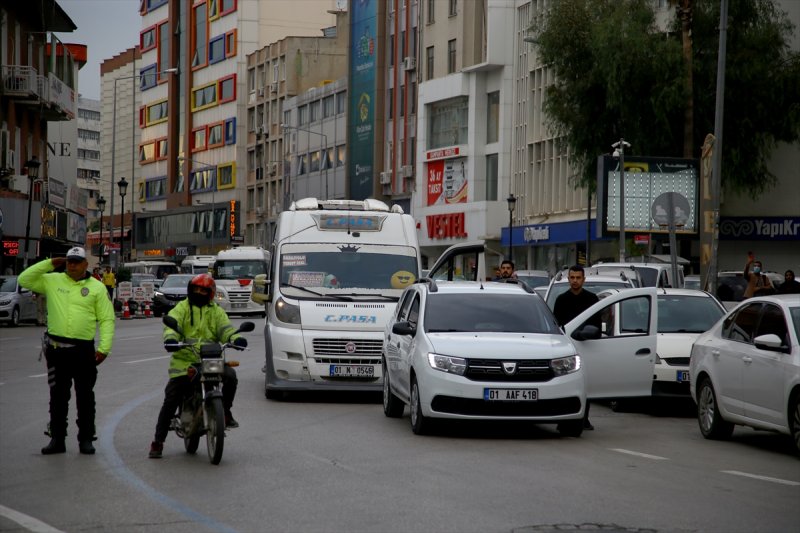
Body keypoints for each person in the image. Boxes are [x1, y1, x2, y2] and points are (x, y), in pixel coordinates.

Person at [18, 247, 115, 455]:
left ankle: (86, 439)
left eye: (77, 261)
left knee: (85, 397)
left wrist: (104, 348)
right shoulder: (52, 281)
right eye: (69, 261)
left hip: (83, 351)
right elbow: (24, 279)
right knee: (58, 397)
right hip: (56, 351)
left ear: (85, 264)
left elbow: (107, 319)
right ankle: (57, 439)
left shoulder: (97, 288)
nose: (72, 265)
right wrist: (51, 263)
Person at [149, 273, 247, 459]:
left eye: (204, 290)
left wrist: (236, 338)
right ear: (190, 290)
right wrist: (171, 339)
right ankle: (158, 441)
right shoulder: (182, 308)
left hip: (210, 361)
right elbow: (172, 324)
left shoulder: (216, 311)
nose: (199, 292)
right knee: (171, 398)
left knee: (231, 376)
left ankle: (225, 412)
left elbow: (226, 329)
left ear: (210, 293)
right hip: (185, 362)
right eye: (196, 289)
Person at [552, 265, 601, 430]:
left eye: (578, 278)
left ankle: (584, 418)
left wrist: (586, 334)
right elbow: (557, 326)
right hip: (565, 348)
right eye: (572, 278)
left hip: (587, 345)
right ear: (568, 279)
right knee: (566, 383)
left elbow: (597, 326)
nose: (575, 281)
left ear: (584, 279)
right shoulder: (561, 299)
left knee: (585, 383)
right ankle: (562, 418)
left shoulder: (592, 299)